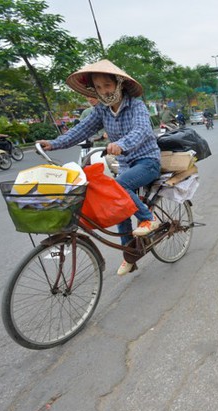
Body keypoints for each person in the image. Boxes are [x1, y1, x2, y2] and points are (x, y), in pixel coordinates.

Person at [38, 59, 161, 276]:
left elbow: (141, 130)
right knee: (118, 206)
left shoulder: (136, 105)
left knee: (118, 187)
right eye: (99, 87)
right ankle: (130, 254)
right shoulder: (102, 111)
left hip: (147, 161)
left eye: (108, 85)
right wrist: (54, 144)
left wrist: (121, 144)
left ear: (119, 83)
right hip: (124, 164)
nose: (104, 90)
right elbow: (81, 130)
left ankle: (148, 218)